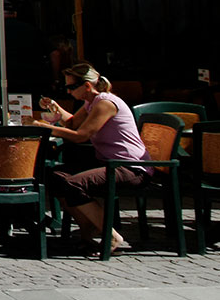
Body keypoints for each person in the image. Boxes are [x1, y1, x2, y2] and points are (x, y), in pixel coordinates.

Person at [36, 63, 149, 254]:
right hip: (109, 163)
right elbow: (72, 123)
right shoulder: (91, 102)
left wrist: (46, 128)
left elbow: (81, 135)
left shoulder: (105, 103)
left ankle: (110, 235)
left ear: (87, 86)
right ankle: (88, 228)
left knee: (73, 184)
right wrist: (55, 107)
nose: (69, 91)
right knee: (54, 177)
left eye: (71, 87)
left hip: (130, 167)